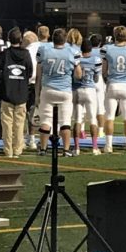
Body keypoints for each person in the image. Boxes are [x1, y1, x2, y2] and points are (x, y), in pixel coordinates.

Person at [36, 27, 82, 156]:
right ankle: (66, 149)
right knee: (65, 121)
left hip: (48, 88)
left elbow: (39, 71)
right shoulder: (72, 52)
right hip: (64, 90)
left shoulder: (44, 50)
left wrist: (37, 90)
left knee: (46, 120)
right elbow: (79, 75)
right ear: (65, 39)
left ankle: (43, 149)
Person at [101, 26, 126, 154]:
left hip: (112, 84)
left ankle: (108, 145)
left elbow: (104, 71)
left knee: (110, 117)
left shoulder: (107, 49)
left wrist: (108, 79)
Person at [0, 27, 33, 158]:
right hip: (21, 93)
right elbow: (30, 72)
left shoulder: (5, 54)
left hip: (7, 92)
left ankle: (8, 150)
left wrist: (2, 78)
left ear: (8, 39)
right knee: (19, 124)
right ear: (21, 40)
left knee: (7, 124)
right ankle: (17, 149)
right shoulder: (26, 54)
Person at [73, 40, 102, 155]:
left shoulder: (77, 59)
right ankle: (95, 148)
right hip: (90, 90)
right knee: (92, 120)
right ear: (91, 49)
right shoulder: (96, 60)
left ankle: (76, 148)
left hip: (78, 90)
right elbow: (96, 78)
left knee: (78, 120)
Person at [22, 30, 40, 150]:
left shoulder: (26, 51)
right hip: (42, 84)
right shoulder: (44, 48)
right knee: (35, 112)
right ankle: (33, 139)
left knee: (25, 112)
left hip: (28, 83)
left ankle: (29, 139)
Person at [90, 33, 106, 138]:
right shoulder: (103, 52)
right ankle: (100, 130)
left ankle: (82, 130)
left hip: (87, 79)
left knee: (84, 108)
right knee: (100, 106)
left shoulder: (85, 51)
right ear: (100, 42)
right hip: (99, 79)